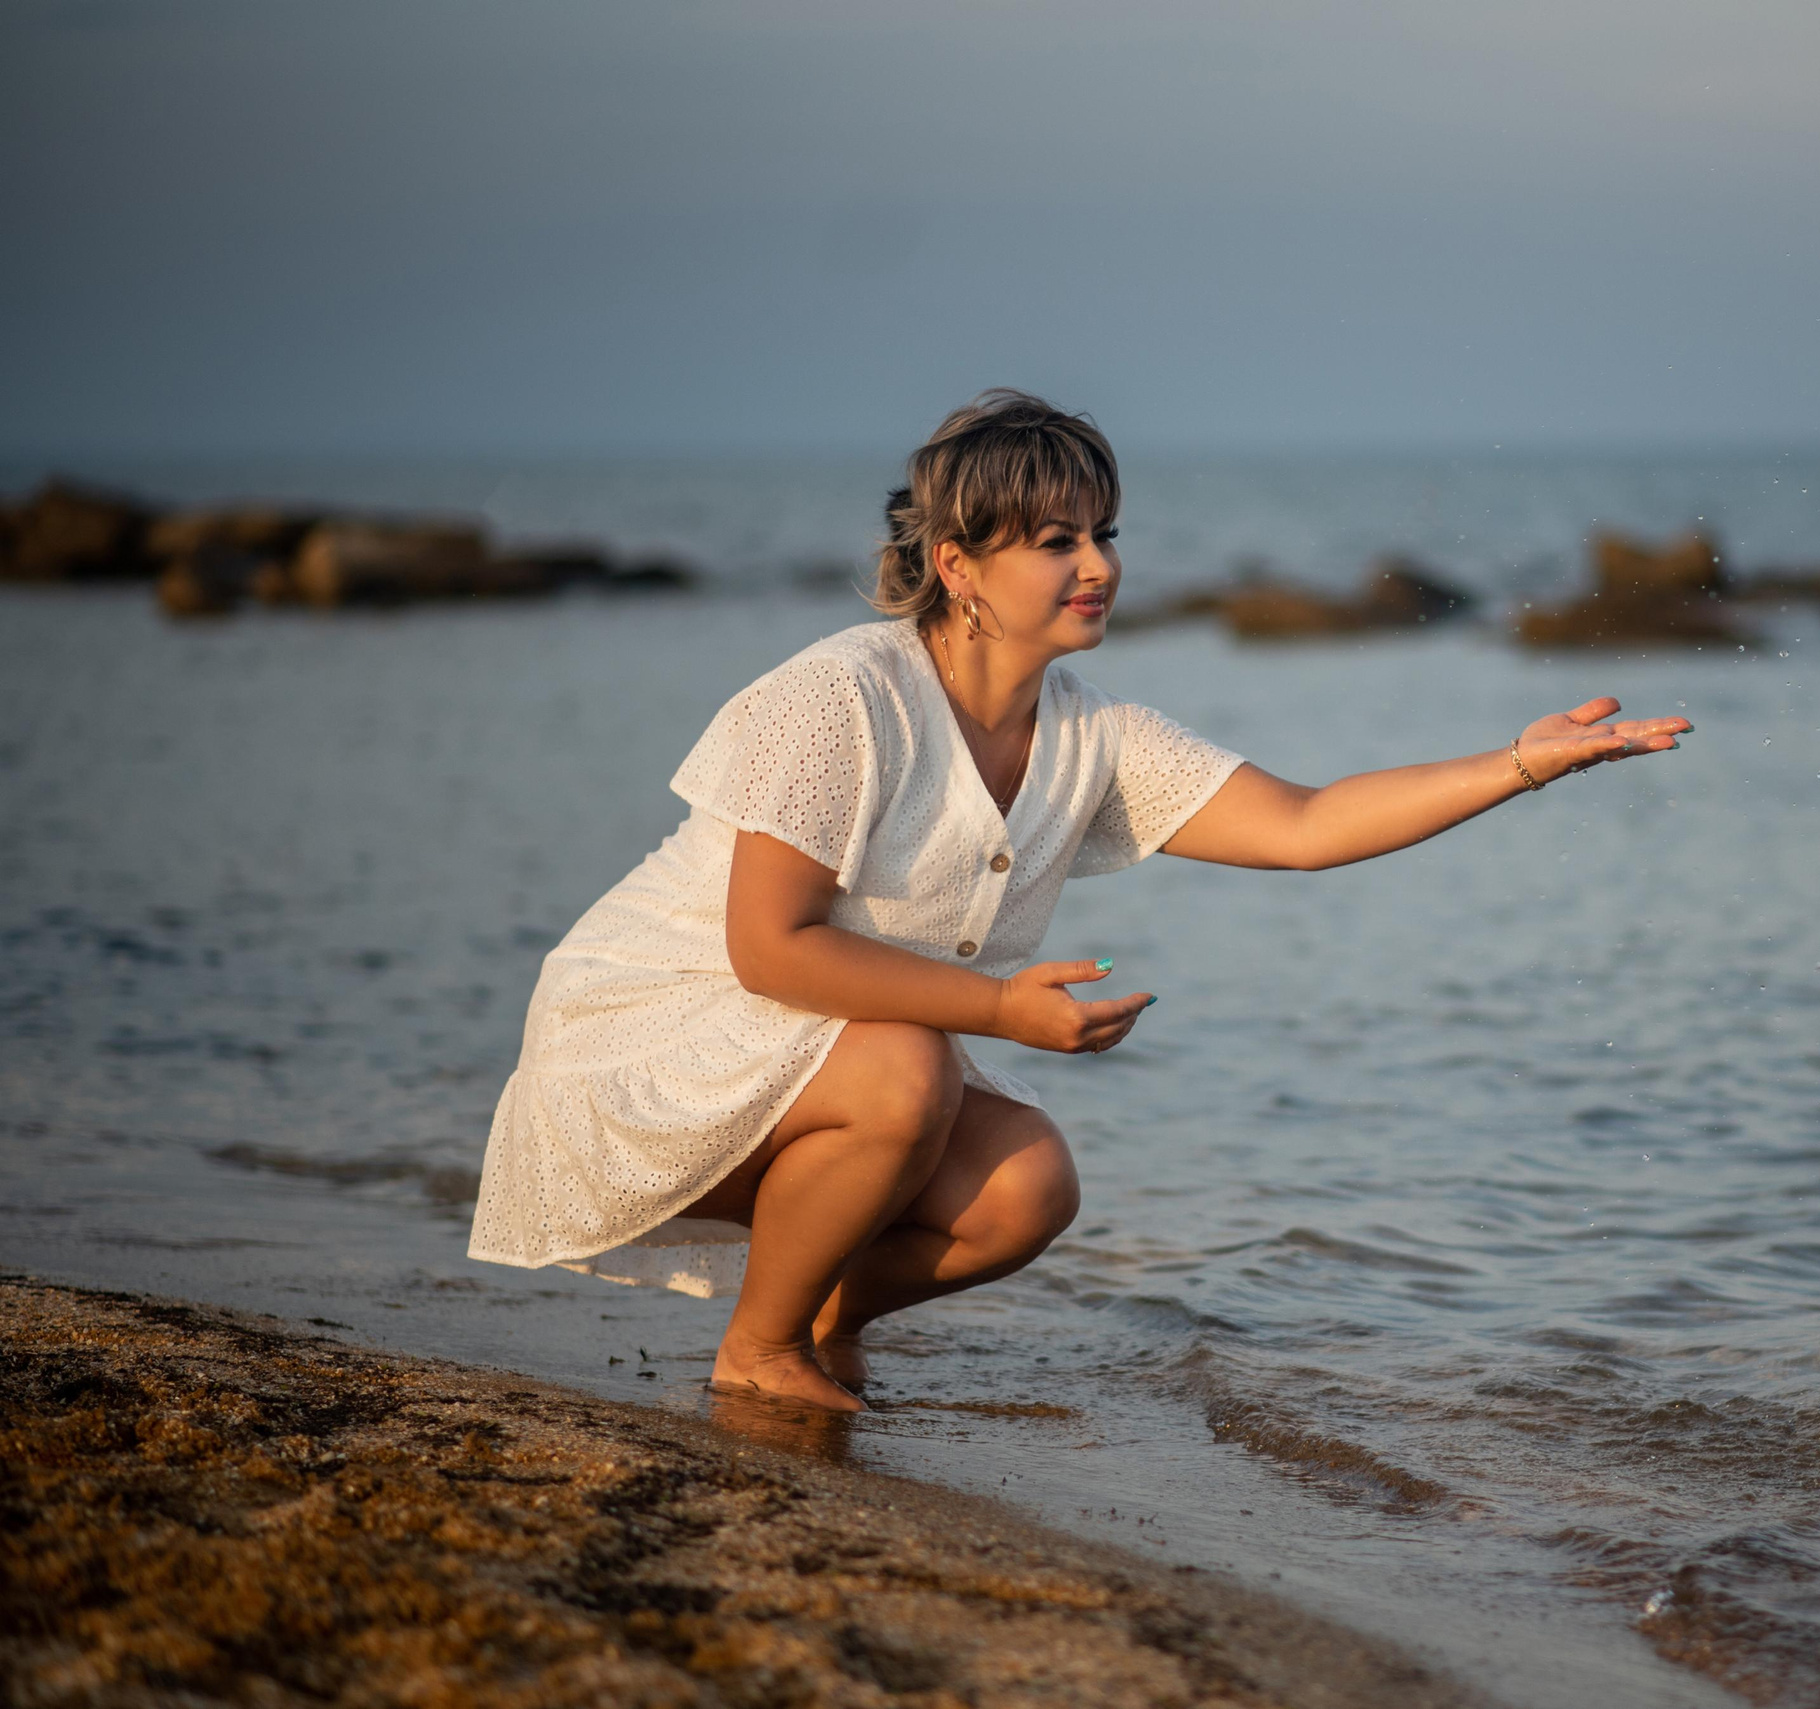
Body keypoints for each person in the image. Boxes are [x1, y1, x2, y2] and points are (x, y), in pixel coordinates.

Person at [468, 391, 1689, 1411]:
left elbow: (1306, 824)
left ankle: (817, 1309)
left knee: (1027, 1186)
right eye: (1057, 541)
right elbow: (769, 948)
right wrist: (1003, 1009)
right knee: (911, 1070)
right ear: (958, 566)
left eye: (1103, 533)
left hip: (836, 1057)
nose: (1099, 566)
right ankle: (761, 1350)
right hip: (652, 1040)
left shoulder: (1093, 737)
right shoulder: (840, 697)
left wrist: (1518, 761)